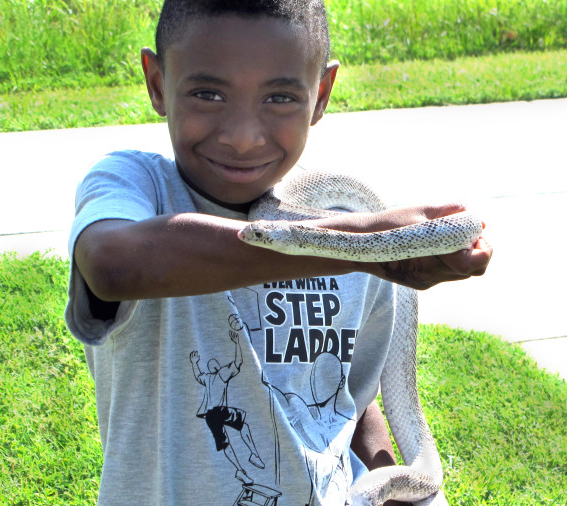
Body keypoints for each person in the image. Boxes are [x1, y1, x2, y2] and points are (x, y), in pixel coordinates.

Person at [64, 0, 492, 504]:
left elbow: (345, 401)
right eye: (208, 93)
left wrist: (391, 482)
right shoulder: (134, 187)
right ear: (158, 83)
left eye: (280, 97)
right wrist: (358, 246)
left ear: (322, 94)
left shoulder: (354, 222)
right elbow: (114, 264)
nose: (243, 138)